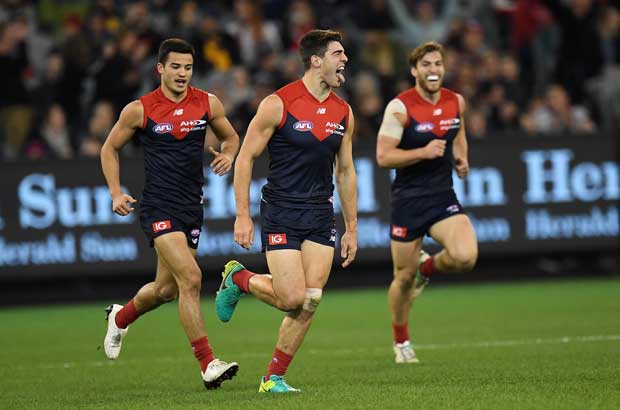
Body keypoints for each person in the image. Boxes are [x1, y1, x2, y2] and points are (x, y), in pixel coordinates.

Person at [215, 29, 358, 393]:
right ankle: (239, 279)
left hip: (319, 213)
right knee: (292, 297)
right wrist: (242, 215)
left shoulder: (343, 111)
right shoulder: (278, 103)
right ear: (315, 60)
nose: (345, 60)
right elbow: (245, 157)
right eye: (338, 54)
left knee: (310, 299)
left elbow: (345, 170)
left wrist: (352, 227)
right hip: (280, 210)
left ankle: (272, 378)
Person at [100, 38, 240, 390]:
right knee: (191, 279)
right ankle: (208, 364)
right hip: (158, 206)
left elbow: (232, 137)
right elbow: (109, 148)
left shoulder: (207, 103)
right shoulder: (140, 109)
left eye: (188, 67)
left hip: (192, 206)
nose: (182, 73)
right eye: (175, 66)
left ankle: (121, 316)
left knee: (165, 289)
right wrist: (116, 192)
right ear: (160, 68)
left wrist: (228, 154)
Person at [375, 41, 478, 364]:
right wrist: (422, 152)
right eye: (426, 65)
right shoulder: (400, 108)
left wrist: (461, 157)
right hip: (408, 200)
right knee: (402, 279)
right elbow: (383, 157)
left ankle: (427, 266)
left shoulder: (455, 102)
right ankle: (401, 341)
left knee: (465, 256)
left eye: (437, 64)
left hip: (442, 195)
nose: (433, 70)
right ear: (414, 71)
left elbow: (457, 134)